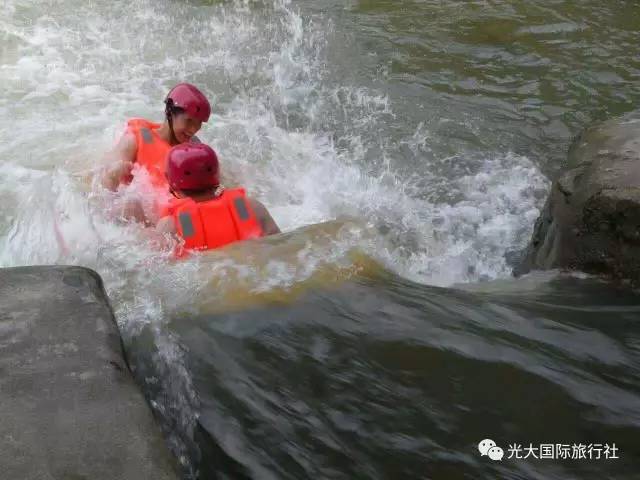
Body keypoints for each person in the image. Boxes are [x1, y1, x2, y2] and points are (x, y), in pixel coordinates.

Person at [156, 143, 280, 255]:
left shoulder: (170, 226)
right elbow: (281, 247)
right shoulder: (253, 207)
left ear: (171, 181)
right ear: (217, 173)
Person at [100, 83, 211, 191]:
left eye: (199, 123)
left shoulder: (195, 147)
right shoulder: (135, 140)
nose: (193, 129)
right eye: (189, 121)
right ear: (170, 113)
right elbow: (104, 181)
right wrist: (113, 175)